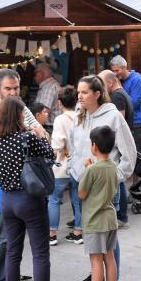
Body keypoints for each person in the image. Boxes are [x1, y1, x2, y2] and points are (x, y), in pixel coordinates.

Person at [0, 96, 62, 281]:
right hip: (29, 199)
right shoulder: (27, 137)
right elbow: (51, 155)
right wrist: (40, 134)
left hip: (7, 200)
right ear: (18, 115)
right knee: (40, 253)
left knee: (13, 251)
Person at [68, 75, 136, 281]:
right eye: (79, 92)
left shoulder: (113, 116)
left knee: (108, 237)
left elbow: (129, 152)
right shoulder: (79, 115)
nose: (80, 96)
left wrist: (115, 176)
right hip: (83, 184)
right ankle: (97, 274)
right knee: (92, 234)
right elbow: (73, 148)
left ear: (97, 94)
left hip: (105, 187)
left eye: (84, 92)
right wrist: (72, 168)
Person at [0, 69, 42, 281]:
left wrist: (30, 130)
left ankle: (10, 273)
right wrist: (28, 132)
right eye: (8, 88)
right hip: (0, 181)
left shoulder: (19, 105)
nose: (13, 92)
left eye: (16, 87)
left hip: (22, 180)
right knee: (2, 234)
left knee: (15, 233)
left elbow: (38, 129)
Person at [70, 125, 120, 281]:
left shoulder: (92, 170)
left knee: (96, 261)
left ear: (94, 146)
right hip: (110, 218)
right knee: (110, 257)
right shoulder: (113, 167)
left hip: (94, 220)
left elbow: (81, 193)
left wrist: (87, 168)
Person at [99, 69, 132, 228]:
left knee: (118, 180)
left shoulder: (117, 97)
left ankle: (121, 216)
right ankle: (121, 215)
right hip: (119, 145)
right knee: (119, 181)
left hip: (117, 146)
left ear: (110, 82)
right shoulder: (122, 93)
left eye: (101, 83)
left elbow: (117, 123)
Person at [48, 86, 81, 246]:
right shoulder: (81, 116)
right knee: (77, 199)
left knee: (54, 199)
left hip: (62, 165)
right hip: (78, 165)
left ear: (60, 103)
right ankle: (78, 232)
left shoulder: (60, 119)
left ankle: (52, 234)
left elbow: (58, 144)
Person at [109, 56, 141, 152]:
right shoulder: (119, 80)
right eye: (113, 71)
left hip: (137, 122)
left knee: (137, 154)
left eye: (117, 70)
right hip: (126, 121)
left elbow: (135, 102)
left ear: (124, 67)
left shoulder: (136, 79)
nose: (115, 73)